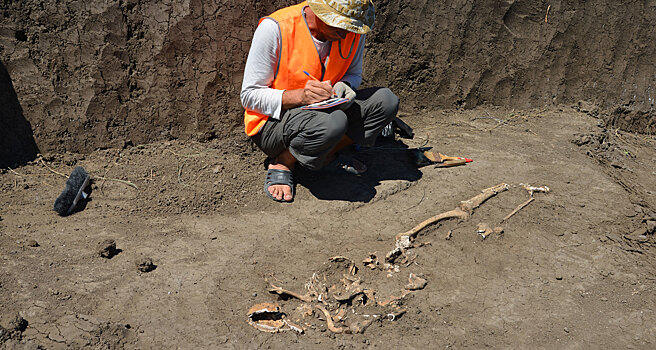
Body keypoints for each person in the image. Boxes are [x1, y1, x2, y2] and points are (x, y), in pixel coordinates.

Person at [241, 0, 399, 203]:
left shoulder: (353, 31)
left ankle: (326, 153)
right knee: (334, 122)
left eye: (350, 27)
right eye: (340, 26)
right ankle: (284, 161)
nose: (345, 35)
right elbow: (249, 96)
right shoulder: (276, 28)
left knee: (385, 101)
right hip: (274, 124)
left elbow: (354, 74)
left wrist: (346, 86)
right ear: (319, 12)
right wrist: (299, 96)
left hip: (327, 114)